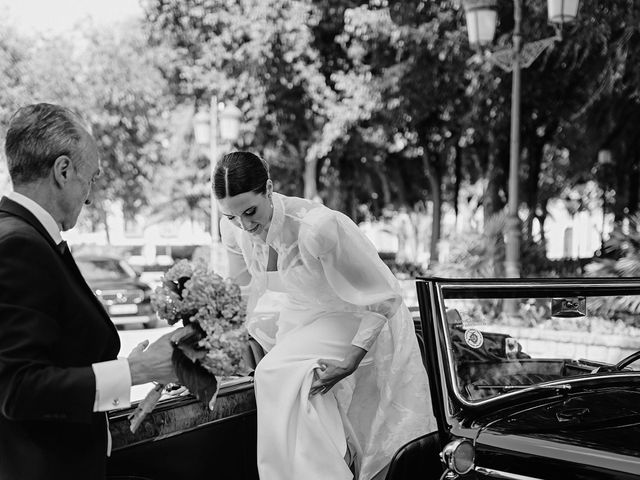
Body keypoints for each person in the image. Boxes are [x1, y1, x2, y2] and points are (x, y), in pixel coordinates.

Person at [214, 151, 436, 480]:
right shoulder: (233, 230)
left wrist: (351, 360)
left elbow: (384, 295)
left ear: (269, 188)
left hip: (356, 315)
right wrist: (224, 334)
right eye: (233, 217)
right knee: (303, 390)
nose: (245, 226)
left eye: (250, 211)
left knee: (276, 371)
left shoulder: (318, 227)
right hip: (300, 317)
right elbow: (241, 289)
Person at [0, 103, 177, 479]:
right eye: (91, 179)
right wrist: (137, 370)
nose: (91, 196)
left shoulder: (23, 236)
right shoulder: (19, 245)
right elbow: (18, 389)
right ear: (63, 171)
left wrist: (123, 366)